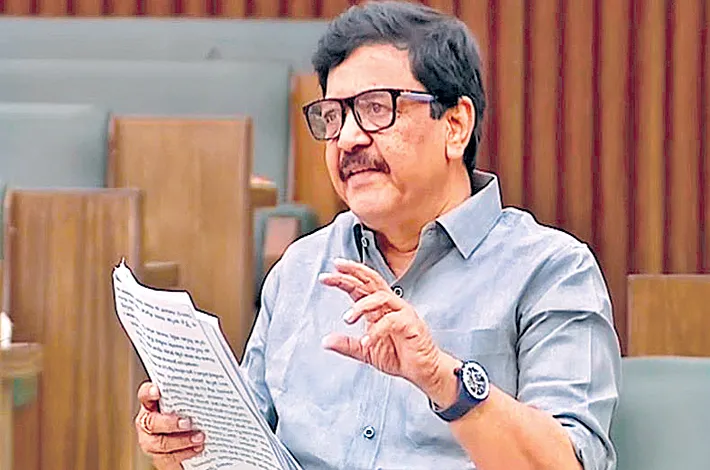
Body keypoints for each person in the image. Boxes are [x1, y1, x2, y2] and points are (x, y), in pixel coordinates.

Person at [134, 2, 622, 469]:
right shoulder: (300, 269)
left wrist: (443, 380)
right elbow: (245, 449)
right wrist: (184, 446)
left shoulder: (551, 270)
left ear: (455, 126)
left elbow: (569, 463)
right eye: (334, 116)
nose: (348, 139)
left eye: (375, 109)